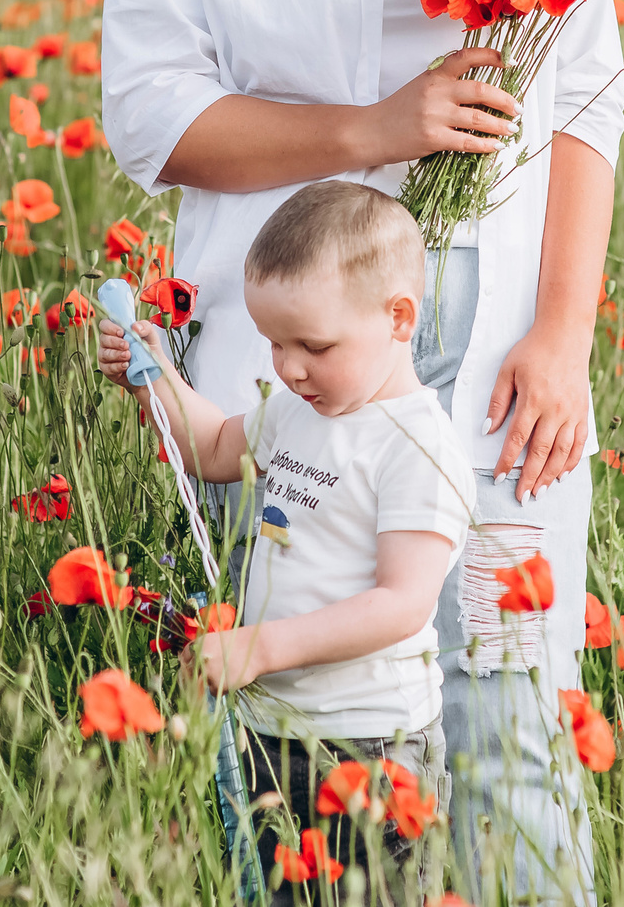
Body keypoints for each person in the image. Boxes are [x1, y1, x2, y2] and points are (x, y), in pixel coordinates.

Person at [102, 0, 623, 902]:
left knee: (509, 723)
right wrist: (374, 130)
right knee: (310, 742)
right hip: (291, 386)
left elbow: (585, 104)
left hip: (502, 375)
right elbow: (154, 123)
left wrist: (562, 336)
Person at [98, 180, 470, 904]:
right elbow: (209, 446)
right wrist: (157, 379)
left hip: (371, 745)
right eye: (274, 342)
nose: (289, 366)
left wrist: (261, 646)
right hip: (271, 730)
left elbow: (401, 601)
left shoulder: (416, 448)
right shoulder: (294, 413)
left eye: (314, 344)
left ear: (400, 318)